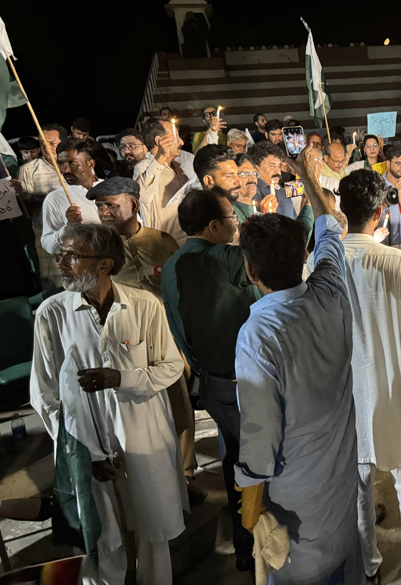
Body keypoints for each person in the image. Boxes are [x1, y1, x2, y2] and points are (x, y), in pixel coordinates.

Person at [31, 223, 187, 584]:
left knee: (152, 527)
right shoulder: (52, 314)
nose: (62, 263)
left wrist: (123, 378)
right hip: (83, 440)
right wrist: (80, 451)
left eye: (72, 256)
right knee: (101, 537)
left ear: (104, 264)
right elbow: (44, 394)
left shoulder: (145, 305)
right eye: (61, 256)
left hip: (143, 433)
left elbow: (171, 366)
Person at [234, 148, 362, 584]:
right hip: (341, 473)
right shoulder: (329, 289)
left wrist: (248, 488)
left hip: (295, 492)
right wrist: (308, 175)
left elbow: (260, 433)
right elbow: (329, 229)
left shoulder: (258, 332)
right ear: (300, 256)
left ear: (251, 271)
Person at [305, 169, 401, 584]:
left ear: (344, 209)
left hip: (346, 391)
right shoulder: (395, 259)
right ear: (381, 212)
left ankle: (368, 565)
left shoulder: (321, 259)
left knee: (358, 488)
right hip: (391, 385)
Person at [88, 176, 206, 506]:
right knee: (142, 412)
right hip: (129, 342)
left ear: (134, 206)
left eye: (112, 205)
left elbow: (183, 285)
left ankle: (185, 475)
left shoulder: (160, 240)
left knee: (179, 406)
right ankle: (149, 476)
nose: (105, 212)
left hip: (169, 337)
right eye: (100, 207)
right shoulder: (98, 250)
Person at [161, 189, 258, 572]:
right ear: (215, 225)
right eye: (232, 218)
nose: (235, 225)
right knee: (263, 463)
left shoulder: (171, 265)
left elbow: (178, 326)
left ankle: (244, 543)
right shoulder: (224, 257)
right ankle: (266, 541)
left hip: (214, 381)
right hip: (246, 382)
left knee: (235, 460)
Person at [133, 119, 199, 246]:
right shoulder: (144, 167)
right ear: (159, 141)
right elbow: (143, 194)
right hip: (163, 246)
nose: (181, 142)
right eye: (176, 137)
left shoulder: (181, 166)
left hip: (189, 241)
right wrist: (161, 156)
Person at [41, 139, 101, 256]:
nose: (65, 170)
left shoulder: (111, 189)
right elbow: (48, 245)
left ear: (90, 163)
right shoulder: (54, 199)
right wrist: (68, 227)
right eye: (61, 164)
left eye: (72, 163)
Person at [246, 141, 295, 218]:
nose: (278, 171)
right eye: (272, 166)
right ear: (256, 168)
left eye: (279, 166)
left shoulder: (283, 191)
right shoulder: (252, 193)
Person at [16, 123, 65, 201]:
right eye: (42, 143)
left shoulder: (76, 166)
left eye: (52, 144)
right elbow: (25, 203)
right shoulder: (28, 169)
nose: (46, 148)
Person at [233, 153, 259, 224]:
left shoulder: (258, 210)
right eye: (244, 174)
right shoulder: (231, 212)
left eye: (254, 174)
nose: (252, 179)